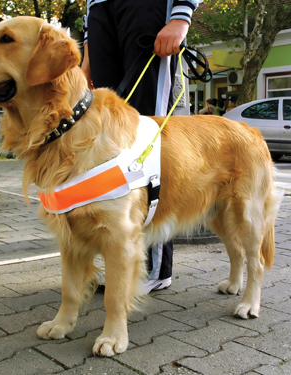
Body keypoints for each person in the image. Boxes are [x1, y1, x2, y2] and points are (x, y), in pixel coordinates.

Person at [82, 0, 201, 294]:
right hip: (100, 9)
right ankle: (119, 262)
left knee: (147, 137)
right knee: (110, 144)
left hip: (149, 7)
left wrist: (181, 15)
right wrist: (88, 52)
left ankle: (156, 268)